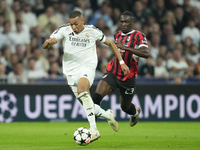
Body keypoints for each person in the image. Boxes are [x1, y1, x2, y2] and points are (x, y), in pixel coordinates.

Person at [42, 10, 130, 143]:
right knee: (89, 106)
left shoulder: (92, 31)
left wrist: (122, 62)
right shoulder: (64, 30)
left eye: (76, 24)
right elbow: (45, 46)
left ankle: (94, 131)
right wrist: (49, 43)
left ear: (83, 21)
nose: (73, 27)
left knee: (82, 91)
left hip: (87, 68)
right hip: (70, 73)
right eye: (71, 24)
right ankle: (108, 115)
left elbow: (111, 44)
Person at [92, 11, 150, 128]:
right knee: (96, 98)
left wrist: (126, 48)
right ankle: (93, 130)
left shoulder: (139, 35)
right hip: (113, 72)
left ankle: (135, 112)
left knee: (125, 107)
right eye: (121, 21)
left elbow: (146, 53)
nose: (123, 24)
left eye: (126, 22)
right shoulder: (117, 34)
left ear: (132, 23)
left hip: (128, 77)